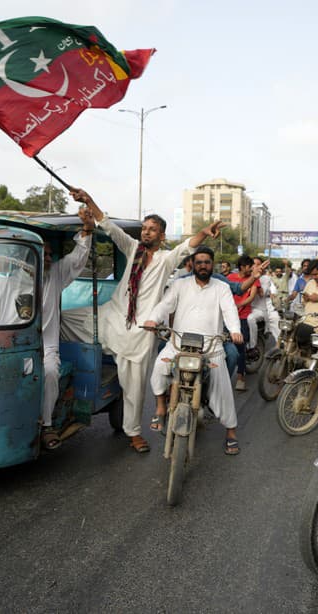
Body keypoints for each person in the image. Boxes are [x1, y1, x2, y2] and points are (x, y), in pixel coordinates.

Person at [61, 188, 224, 454]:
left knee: (133, 389)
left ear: (162, 236)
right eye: (145, 228)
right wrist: (89, 199)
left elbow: (188, 246)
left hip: (140, 332)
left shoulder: (165, 259)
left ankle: (133, 433)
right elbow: (110, 227)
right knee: (63, 319)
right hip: (111, 317)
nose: (146, 232)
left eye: (152, 229)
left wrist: (205, 232)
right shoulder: (133, 248)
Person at [145, 246, 244, 454]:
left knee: (223, 390)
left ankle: (231, 432)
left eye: (207, 262)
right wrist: (153, 319)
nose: (203, 266)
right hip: (178, 345)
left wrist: (235, 330)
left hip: (210, 348)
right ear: (192, 264)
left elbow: (229, 311)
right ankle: (161, 407)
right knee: (158, 368)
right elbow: (165, 305)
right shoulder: (179, 284)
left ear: (212, 264)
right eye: (198, 262)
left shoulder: (221, 288)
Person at [38, 209, 95, 450]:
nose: (49, 259)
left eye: (51, 254)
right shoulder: (11, 282)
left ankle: (47, 425)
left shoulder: (55, 275)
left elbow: (76, 259)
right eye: (45, 255)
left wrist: (86, 231)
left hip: (46, 347)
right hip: (15, 345)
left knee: (50, 371)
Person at [227, 256, 258, 391]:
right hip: (228, 317)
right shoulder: (230, 278)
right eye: (249, 266)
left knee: (240, 347)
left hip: (243, 316)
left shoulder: (253, 279)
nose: (251, 268)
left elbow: (251, 296)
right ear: (242, 267)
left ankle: (240, 377)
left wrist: (239, 304)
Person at [246, 256, 280, 359]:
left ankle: (253, 347)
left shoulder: (265, 279)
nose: (255, 266)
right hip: (245, 308)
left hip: (260, 310)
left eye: (258, 264)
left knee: (252, 318)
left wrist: (255, 278)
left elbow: (262, 293)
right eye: (253, 264)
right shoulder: (246, 277)